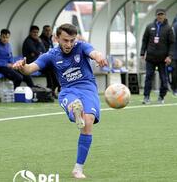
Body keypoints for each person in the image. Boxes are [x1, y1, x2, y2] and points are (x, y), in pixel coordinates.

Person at [12, 23, 108, 179]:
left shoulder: (82, 46)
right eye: (65, 40)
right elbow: (30, 68)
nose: (69, 44)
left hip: (88, 88)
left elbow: (94, 52)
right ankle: (75, 112)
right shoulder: (51, 54)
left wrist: (99, 56)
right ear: (56, 38)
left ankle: (78, 168)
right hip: (68, 91)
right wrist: (22, 67)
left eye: (72, 40)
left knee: (88, 121)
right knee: (74, 106)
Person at [140, 9, 174, 104]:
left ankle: (161, 96)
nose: (160, 16)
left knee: (164, 79)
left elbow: (172, 44)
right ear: (156, 16)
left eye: (162, 15)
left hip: (162, 58)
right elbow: (144, 40)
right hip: (150, 57)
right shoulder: (149, 27)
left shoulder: (168, 28)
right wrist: (142, 53)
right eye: (158, 15)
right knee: (148, 77)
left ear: (165, 16)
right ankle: (146, 97)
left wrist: (169, 56)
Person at [39, 25, 60, 97]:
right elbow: (42, 53)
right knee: (50, 70)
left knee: (55, 68)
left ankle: (54, 89)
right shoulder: (40, 40)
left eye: (49, 30)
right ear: (43, 31)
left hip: (48, 63)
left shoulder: (50, 39)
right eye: (46, 30)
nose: (48, 32)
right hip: (41, 63)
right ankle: (52, 88)